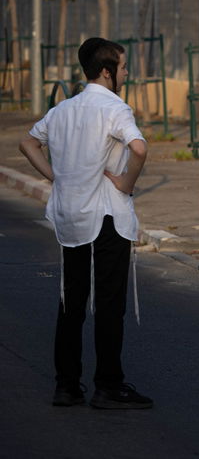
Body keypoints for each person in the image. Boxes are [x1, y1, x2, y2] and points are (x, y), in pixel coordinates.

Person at [18, 37, 153, 408]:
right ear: (108, 72)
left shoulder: (63, 110)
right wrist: (126, 183)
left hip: (69, 215)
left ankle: (67, 384)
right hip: (107, 215)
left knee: (71, 299)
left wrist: (54, 176)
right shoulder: (115, 109)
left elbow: (27, 142)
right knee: (109, 302)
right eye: (124, 68)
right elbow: (139, 149)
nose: (127, 74)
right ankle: (108, 385)